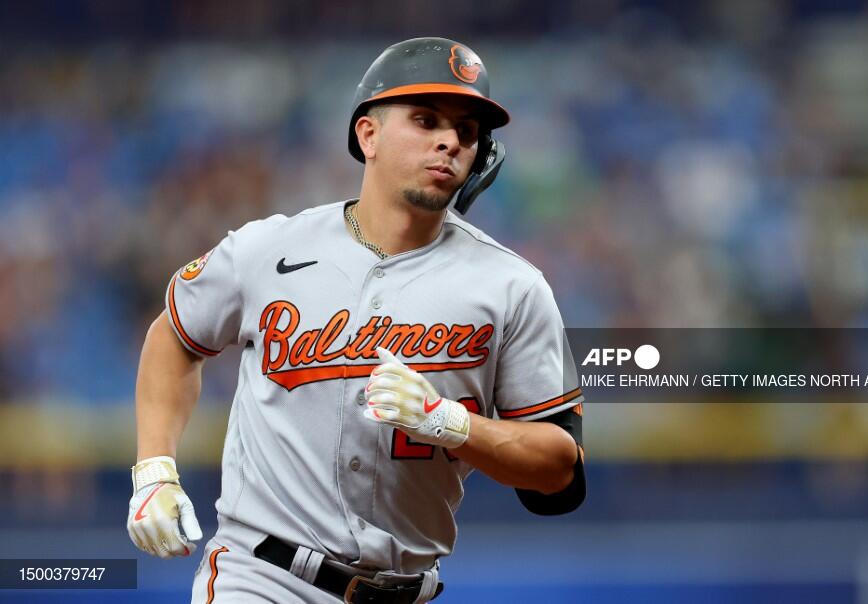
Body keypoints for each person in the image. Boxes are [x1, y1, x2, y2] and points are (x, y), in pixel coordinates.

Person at [126, 37, 585, 603]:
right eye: (425, 120)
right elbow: (175, 336)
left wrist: (452, 424)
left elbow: (560, 473)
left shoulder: (512, 287)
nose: (449, 140)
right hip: (262, 577)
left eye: (467, 132)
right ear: (367, 134)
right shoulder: (267, 250)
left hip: (407, 589)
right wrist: (154, 470)